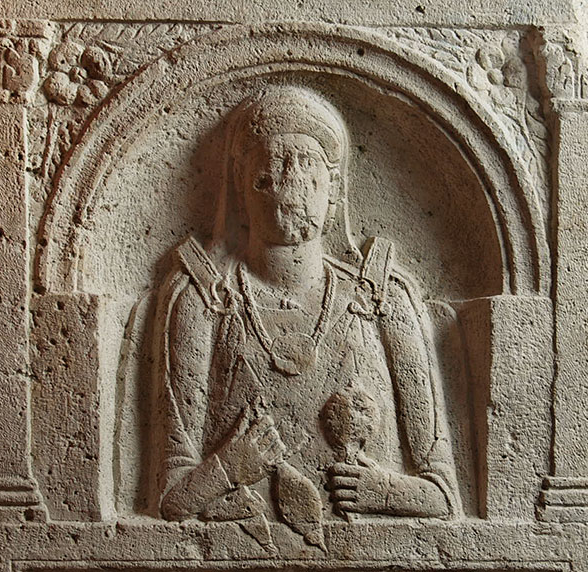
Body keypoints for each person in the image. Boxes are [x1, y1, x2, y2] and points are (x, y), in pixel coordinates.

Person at [155, 85, 461, 548]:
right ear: (243, 186)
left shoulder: (383, 299)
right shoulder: (203, 300)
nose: (289, 182)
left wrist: (385, 491)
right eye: (270, 168)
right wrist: (229, 468)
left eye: (306, 164)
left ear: (333, 187)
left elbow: (442, 494)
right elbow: (172, 500)